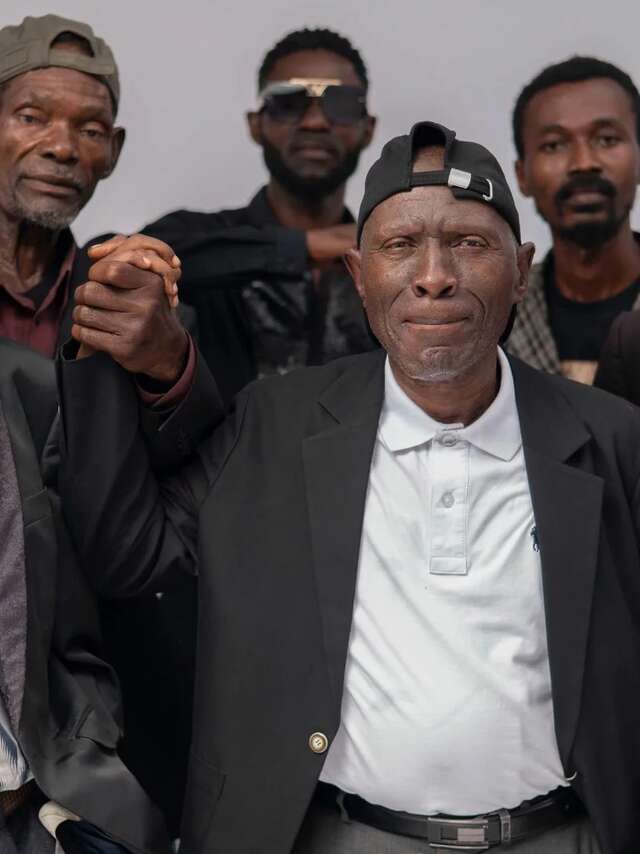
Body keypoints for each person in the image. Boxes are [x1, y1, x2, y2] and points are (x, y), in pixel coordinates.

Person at [60, 119, 640, 853]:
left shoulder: (611, 438)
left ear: (521, 268)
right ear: (360, 276)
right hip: (340, 834)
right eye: (400, 246)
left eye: (470, 243)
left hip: (565, 834)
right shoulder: (278, 422)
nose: (435, 275)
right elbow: (126, 557)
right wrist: (109, 353)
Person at [0, 14, 200, 832]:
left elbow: (191, 485)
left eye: (89, 129)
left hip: (86, 737)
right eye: (31, 117)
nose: (62, 146)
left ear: (112, 154)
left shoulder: (127, 287)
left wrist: (166, 361)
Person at [143, 27, 378, 405]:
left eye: (341, 103)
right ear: (256, 124)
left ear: (369, 129)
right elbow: (141, 262)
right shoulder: (200, 239)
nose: (315, 122)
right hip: (225, 463)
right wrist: (304, 246)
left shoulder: (389, 260)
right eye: (288, 102)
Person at [507, 56, 640, 384]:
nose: (583, 163)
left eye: (607, 139)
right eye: (554, 145)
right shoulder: (497, 317)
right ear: (522, 175)